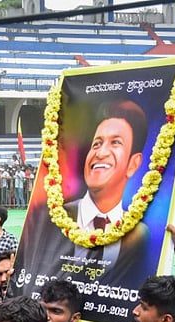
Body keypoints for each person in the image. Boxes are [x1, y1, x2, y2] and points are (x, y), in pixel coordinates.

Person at [19, 100, 151, 305]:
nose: (100, 153)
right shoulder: (48, 218)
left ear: (134, 164)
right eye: (96, 143)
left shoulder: (139, 236)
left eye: (115, 142)